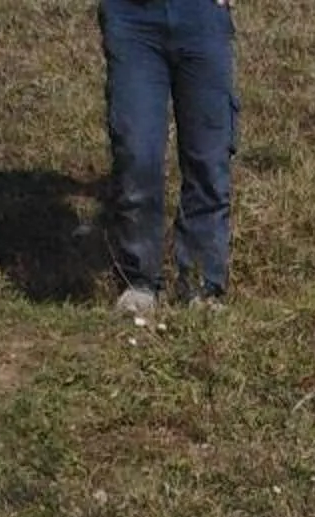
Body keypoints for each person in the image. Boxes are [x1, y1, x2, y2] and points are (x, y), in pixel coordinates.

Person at [99, 0, 238, 322]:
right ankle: (140, 283)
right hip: (132, 19)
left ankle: (202, 287)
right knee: (137, 152)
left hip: (202, 18)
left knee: (208, 157)